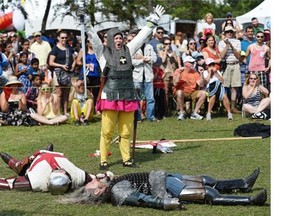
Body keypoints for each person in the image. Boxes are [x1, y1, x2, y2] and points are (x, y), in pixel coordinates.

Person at [86, 5, 165, 169]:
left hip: (128, 96)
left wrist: (154, 19)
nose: (118, 40)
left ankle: (126, 158)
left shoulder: (129, 50)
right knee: (107, 132)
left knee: (126, 132)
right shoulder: (102, 53)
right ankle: (103, 160)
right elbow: (93, 38)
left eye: (120, 38)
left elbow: (142, 37)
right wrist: (86, 23)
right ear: (109, 39)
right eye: (115, 38)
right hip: (110, 95)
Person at [60, 168, 267, 210]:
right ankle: (250, 201)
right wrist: (166, 203)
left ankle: (242, 184)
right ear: (97, 192)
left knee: (207, 181)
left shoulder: (112, 185)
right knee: (207, 194)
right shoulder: (117, 192)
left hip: (163, 176)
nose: (91, 180)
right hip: (162, 185)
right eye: (91, 184)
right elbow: (142, 199)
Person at [0, 144, 98, 194]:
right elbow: (94, 178)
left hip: (37, 162)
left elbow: (9, 184)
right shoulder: (77, 175)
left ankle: (17, 165)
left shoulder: (37, 181)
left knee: (23, 168)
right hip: (46, 156)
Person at [49, 30, 76, 115]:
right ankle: (58, 112)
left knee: (66, 93)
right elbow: (51, 62)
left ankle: (65, 112)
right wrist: (61, 66)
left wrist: (72, 67)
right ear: (58, 38)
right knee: (59, 93)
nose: (64, 39)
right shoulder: (55, 49)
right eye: (62, 38)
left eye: (65, 37)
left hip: (68, 73)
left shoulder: (69, 48)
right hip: (58, 73)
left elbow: (75, 59)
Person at [131, 34, 158, 122]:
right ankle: (138, 117)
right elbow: (132, 61)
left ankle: (151, 117)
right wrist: (143, 60)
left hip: (148, 76)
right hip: (137, 76)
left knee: (150, 98)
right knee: (137, 98)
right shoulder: (134, 47)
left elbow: (154, 59)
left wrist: (142, 58)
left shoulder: (149, 47)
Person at [173, 56, 206, 120]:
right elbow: (175, 83)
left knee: (203, 93)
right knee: (179, 92)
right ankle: (182, 113)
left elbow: (201, 85)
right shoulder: (178, 71)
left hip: (192, 92)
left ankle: (195, 113)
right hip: (181, 92)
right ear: (185, 63)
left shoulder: (195, 72)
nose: (193, 64)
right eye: (191, 62)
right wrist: (179, 73)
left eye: (193, 62)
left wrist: (201, 74)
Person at [218, 26, 242, 114]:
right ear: (225, 33)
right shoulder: (221, 42)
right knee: (224, 87)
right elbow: (222, 56)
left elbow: (238, 56)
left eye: (231, 31)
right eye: (227, 31)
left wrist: (231, 45)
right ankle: (224, 106)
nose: (229, 33)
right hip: (226, 65)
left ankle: (233, 107)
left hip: (235, 64)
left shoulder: (237, 41)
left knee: (234, 87)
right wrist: (227, 45)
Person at [76, 36, 101, 109]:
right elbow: (78, 61)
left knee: (96, 91)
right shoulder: (83, 50)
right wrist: (85, 64)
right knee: (86, 91)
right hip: (86, 73)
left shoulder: (97, 51)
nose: (90, 43)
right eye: (88, 41)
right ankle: (87, 107)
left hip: (96, 73)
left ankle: (96, 107)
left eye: (91, 41)